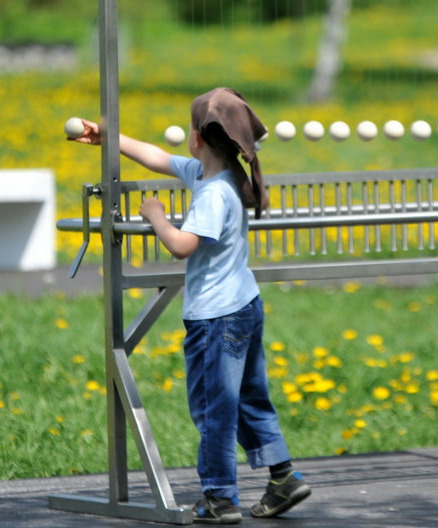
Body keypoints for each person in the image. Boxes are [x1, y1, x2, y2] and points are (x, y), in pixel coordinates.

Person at [70, 87, 310, 524]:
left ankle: (220, 497)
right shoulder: (216, 175)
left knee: (213, 407)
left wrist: (156, 215)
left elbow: (182, 245)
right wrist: (107, 134)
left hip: (217, 318)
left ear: (198, 137)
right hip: (243, 305)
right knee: (249, 399)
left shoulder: (214, 193)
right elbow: (155, 156)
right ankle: (283, 478)